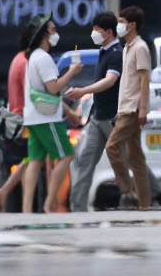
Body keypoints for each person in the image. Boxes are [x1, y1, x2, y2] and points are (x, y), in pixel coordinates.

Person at [104, 5, 161, 210]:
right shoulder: (127, 48)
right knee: (136, 159)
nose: (119, 26)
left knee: (111, 147)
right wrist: (120, 107)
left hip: (133, 109)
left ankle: (127, 191)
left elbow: (144, 80)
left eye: (122, 23)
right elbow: (128, 82)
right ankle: (145, 204)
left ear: (132, 25)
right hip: (126, 107)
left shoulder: (140, 47)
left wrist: (143, 109)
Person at [21, 12, 83, 214]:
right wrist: (72, 72)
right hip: (47, 117)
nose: (57, 34)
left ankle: (27, 208)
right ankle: (50, 201)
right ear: (44, 35)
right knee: (66, 156)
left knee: (35, 161)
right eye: (53, 30)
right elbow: (53, 89)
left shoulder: (32, 58)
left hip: (32, 116)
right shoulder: (44, 59)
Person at [65, 11, 124, 212]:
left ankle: (146, 196)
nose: (93, 33)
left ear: (108, 32)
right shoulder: (104, 52)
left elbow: (110, 81)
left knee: (127, 164)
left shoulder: (116, 53)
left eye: (97, 30)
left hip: (113, 120)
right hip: (97, 119)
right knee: (83, 160)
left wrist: (83, 90)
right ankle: (77, 208)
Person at [0, 20, 33, 212]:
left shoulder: (17, 58)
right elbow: (31, 93)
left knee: (29, 159)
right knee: (31, 159)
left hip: (17, 118)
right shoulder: (25, 62)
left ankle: (10, 193)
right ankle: (22, 203)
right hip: (25, 119)